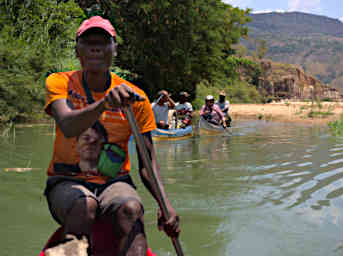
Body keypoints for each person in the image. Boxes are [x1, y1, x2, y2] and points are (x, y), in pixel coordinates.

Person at [44, 15, 180, 256]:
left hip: (114, 182)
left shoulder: (135, 98)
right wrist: (103, 104)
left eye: (103, 42)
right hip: (66, 181)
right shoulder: (59, 82)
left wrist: (165, 204)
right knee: (83, 205)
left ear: (114, 50)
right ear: (78, 51)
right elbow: (66, 125)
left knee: (131, 207)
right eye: (88, 42)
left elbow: (148, 164)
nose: (95, 47)